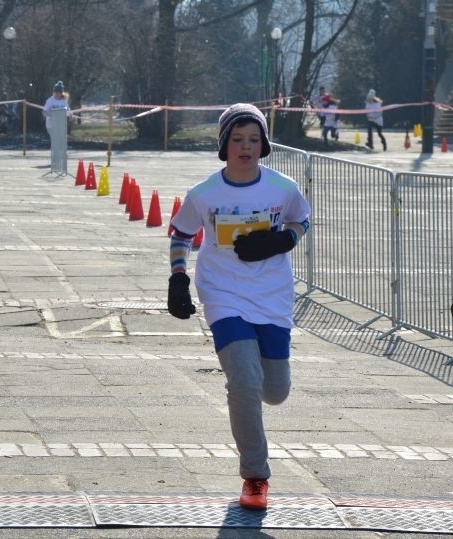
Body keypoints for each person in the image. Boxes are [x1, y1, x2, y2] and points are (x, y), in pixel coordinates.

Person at [166, 103, 311, 511]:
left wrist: (285, 240)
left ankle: (257, 401)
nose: (245, 147)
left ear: (264, 145)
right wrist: (178, 277)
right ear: (224, 144)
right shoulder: (205, 193)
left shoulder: (282, 188)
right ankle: (255, 476)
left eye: (254, 139)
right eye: (237, 139)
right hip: (223, 293)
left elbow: (303, 219)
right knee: (244, 381)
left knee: (275, 391)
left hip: (271, 295)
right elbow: (180, 233)